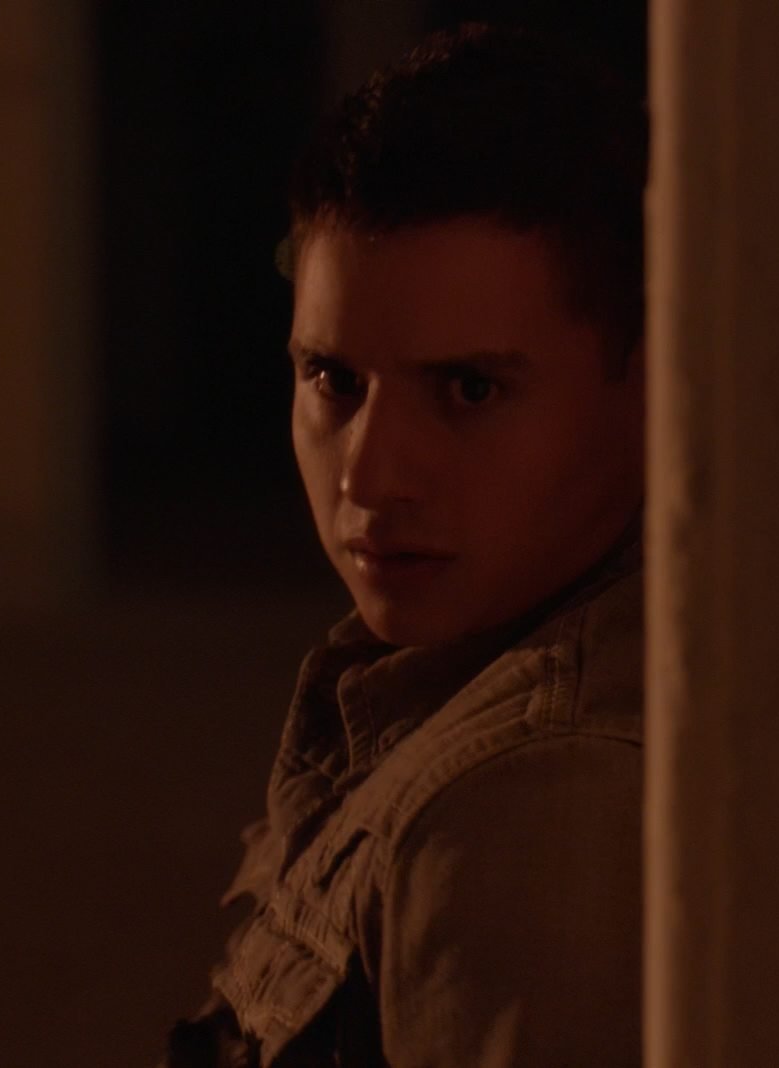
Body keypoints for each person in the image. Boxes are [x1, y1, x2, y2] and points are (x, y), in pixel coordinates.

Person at [163, 22, 648, 1067]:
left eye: (469, 389)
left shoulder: (528, 811)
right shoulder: (458, 679)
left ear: (652, 389)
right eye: (332, 380)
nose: (371, 478)